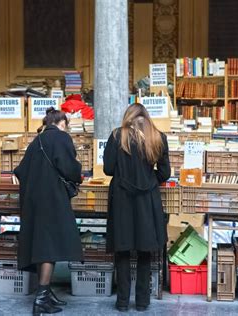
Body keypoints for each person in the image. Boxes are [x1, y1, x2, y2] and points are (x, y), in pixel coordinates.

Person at [14, 107, 83, 315]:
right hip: (53, 199)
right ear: (62, 124)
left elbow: (20, 170)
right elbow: (70, 168)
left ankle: (46, 293)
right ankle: (41, 298)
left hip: (33, 201)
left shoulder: (36, 141)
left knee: (44, 244)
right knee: (49, 246)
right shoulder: (62, 139)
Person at [103, 103, 170, 312]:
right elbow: (165, 172)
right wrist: (150, 180)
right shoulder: (158, 137)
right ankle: (142, 302)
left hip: (122, 199)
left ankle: (122, 302)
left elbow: (107, 169)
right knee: (145, 251)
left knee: (122, 251)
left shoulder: (116, 136)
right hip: (147, 200)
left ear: (128, 117)